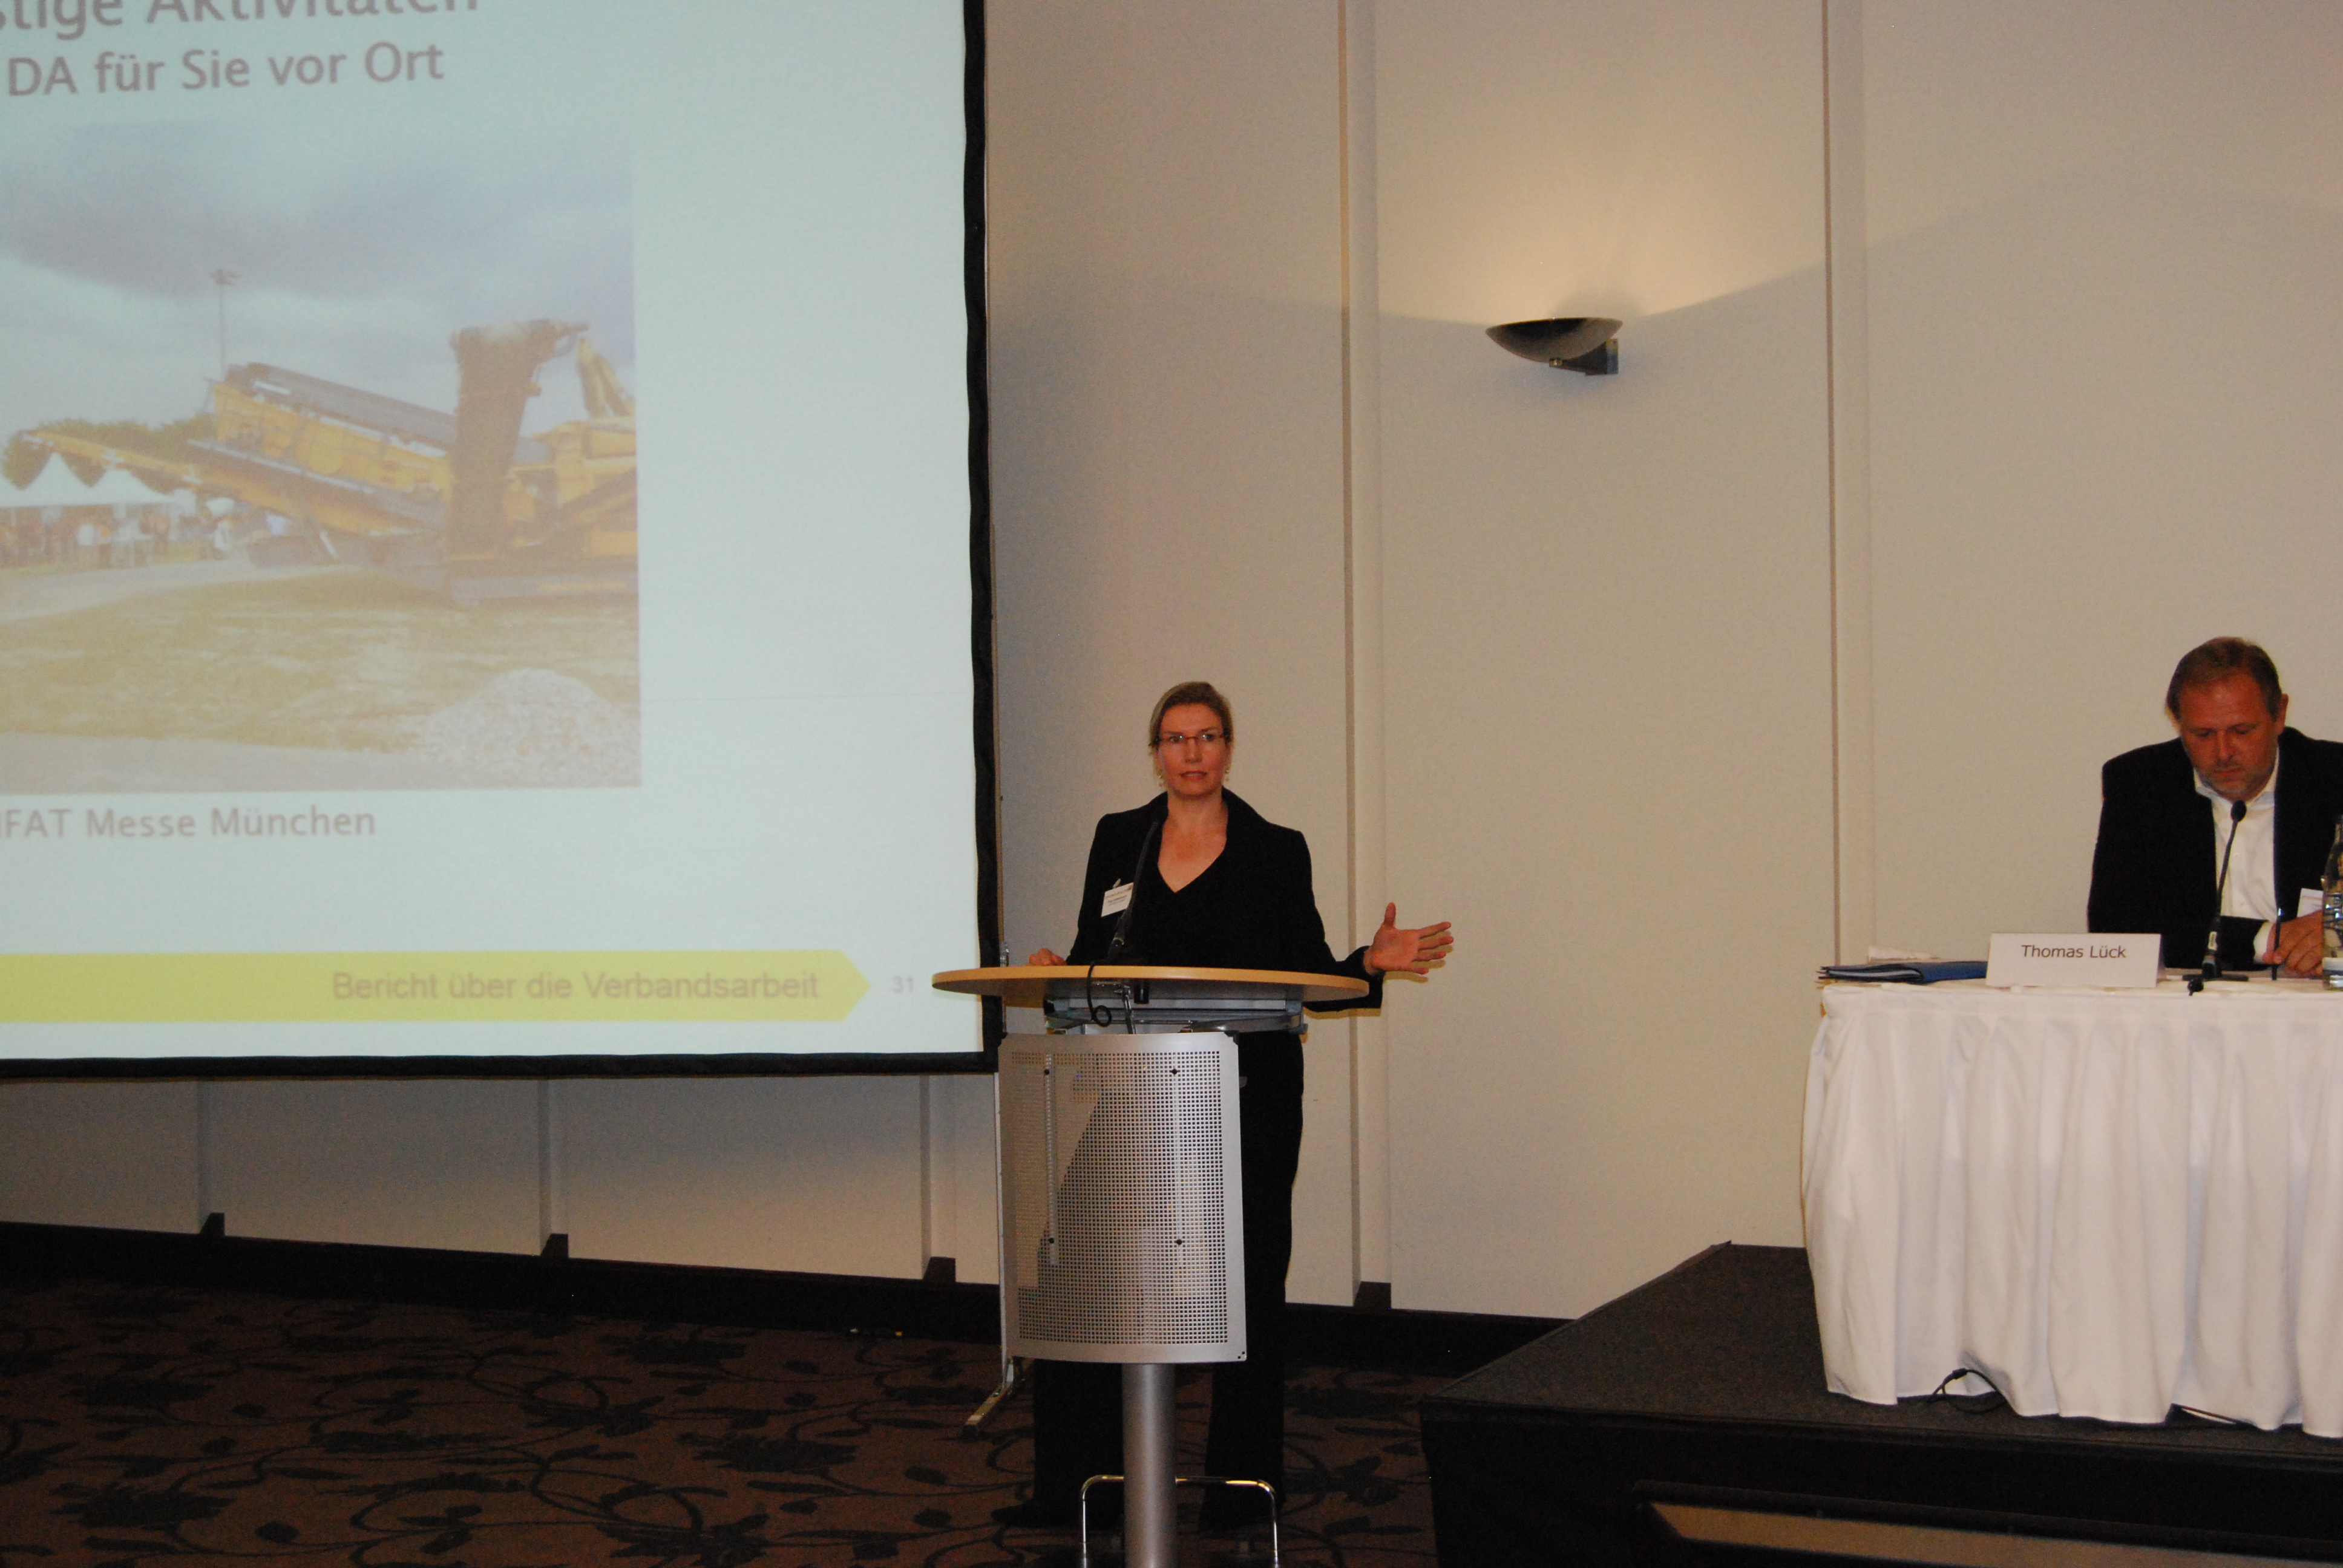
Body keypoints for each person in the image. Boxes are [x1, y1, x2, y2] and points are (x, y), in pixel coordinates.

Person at [1008, 680, 1454, 1532]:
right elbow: (1096, 955)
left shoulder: (1275, 850)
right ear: (1156, 753)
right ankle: (1077, 1485)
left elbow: (1307, 971)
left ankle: (1240, 1494)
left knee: (1243, 1285)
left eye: (1208, 737)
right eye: (1176, 739)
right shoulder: (1119, 838)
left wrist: (1369, 962)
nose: (1192, 753)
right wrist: (1059, 971)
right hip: (1131, 1087)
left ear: (1228, 748)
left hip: (1246, 1092)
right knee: (1080, 1270)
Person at [2088, 638, 2343, 973]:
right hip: (2189, 998)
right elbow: (2117, 927)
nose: (2224, 753)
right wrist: (2268, 939)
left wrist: (2336, 927)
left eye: (2242, 730)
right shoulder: (2141, 783)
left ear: (2279, 715)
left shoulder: (2334, 777)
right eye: (2203, 735)